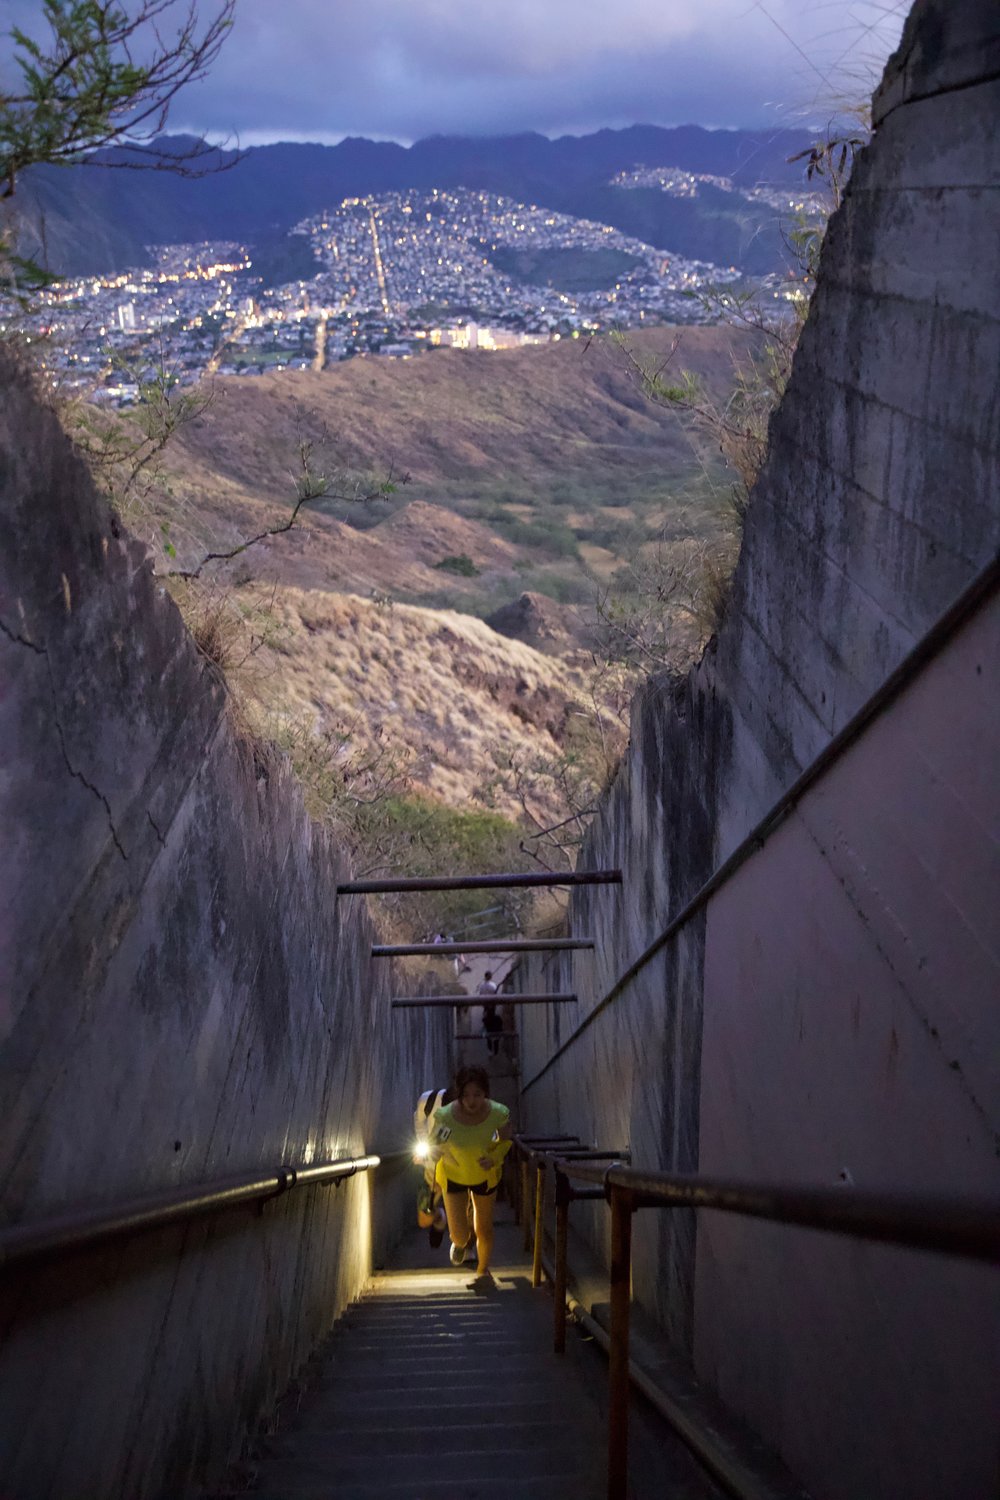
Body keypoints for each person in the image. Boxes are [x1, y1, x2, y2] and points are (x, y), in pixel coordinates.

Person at [429, 1065, 512, 1280]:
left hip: (485, 1174)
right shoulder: (447, 1117)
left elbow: (506, 1141)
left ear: (486, 1093)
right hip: (453, 1173)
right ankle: (460, 1243)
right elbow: (436, 1142)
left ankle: (483, 1270)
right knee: (459, 1233)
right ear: (459, 1094)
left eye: (477, 1094)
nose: (471, 1100)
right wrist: (430, 1155)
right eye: (465, 1095)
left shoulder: (497, 1113)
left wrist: (494, 1158)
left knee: (483, 1227)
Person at [413, 1084, 454, 1248]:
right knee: (424, 1219)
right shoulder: (428, 1100)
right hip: (432, 1169)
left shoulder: (472, 1112)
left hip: (460, 1171)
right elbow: (418, 1119)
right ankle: (439, 1217)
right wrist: (424, 1147)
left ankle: (466, 1248)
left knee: (465, 1215)